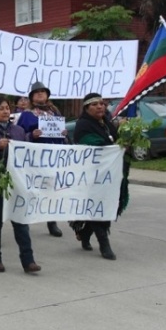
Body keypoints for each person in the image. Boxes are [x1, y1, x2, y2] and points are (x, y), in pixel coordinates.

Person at [0, 96, 41, 273]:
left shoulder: (18, 130)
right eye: (1, 109)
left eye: (7, 108)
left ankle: (28, 261)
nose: (5, 111)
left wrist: (32, 138)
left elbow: (26, 153)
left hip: (16, 184)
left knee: (21, 222)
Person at [69, 93, 120, 260]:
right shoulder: (83, 125)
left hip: (109, 174)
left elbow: (115, 140)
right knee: (97, 207)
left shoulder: (107, 123)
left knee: (105, 206)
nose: (100, 107)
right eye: (94, 104)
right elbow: (90, 144)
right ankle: (104, 244)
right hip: (92, 175)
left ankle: (84, 233)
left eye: (102, 104)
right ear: (86, 108)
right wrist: (114, 147)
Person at [16, 81, 68, 238]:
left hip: (53, 158)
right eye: (36, 92)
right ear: (32, 97)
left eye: (43, 92)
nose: (40, 94)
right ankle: (24, 219)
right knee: (32, 189)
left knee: (52, 191)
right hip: (35, 160)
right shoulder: (26, 115)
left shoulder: (55, 114)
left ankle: (51, 221)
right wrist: (31, 135)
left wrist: (64, 134)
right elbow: (18, 135)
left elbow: (60, 136)